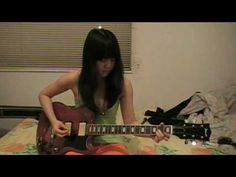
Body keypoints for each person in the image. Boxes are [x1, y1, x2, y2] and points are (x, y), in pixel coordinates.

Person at [38, 27, 169, 155]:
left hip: (110, 142)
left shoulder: (123, 84)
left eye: (112, 60)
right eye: (103, 60)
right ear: (90, 58)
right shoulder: (75, 78)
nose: (109, 65)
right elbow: (44, 94)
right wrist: (54, 122)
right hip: (76, 143)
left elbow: (130, 123)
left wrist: (150, 133)